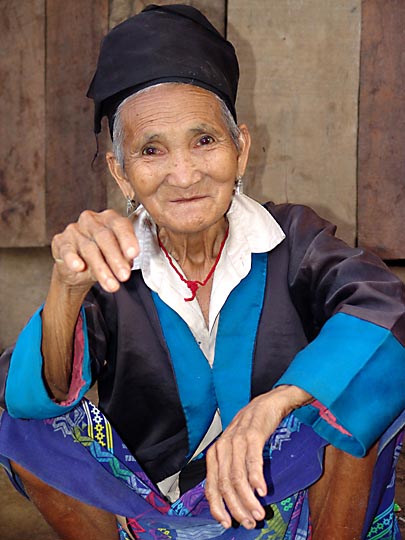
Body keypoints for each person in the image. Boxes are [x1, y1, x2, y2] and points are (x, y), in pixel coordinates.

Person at [0, 4, 404, 540]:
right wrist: (65, 290)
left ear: (241, 149)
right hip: (154, 508)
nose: (183, 173)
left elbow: (384, 311)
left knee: (350, 391)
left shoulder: (295, 238)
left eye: (205, 141)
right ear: (122, 174)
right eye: (151, 150)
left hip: (289, 499)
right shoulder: (111, 262)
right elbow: (33, 394)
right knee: (21, 422)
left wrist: (277, 401)